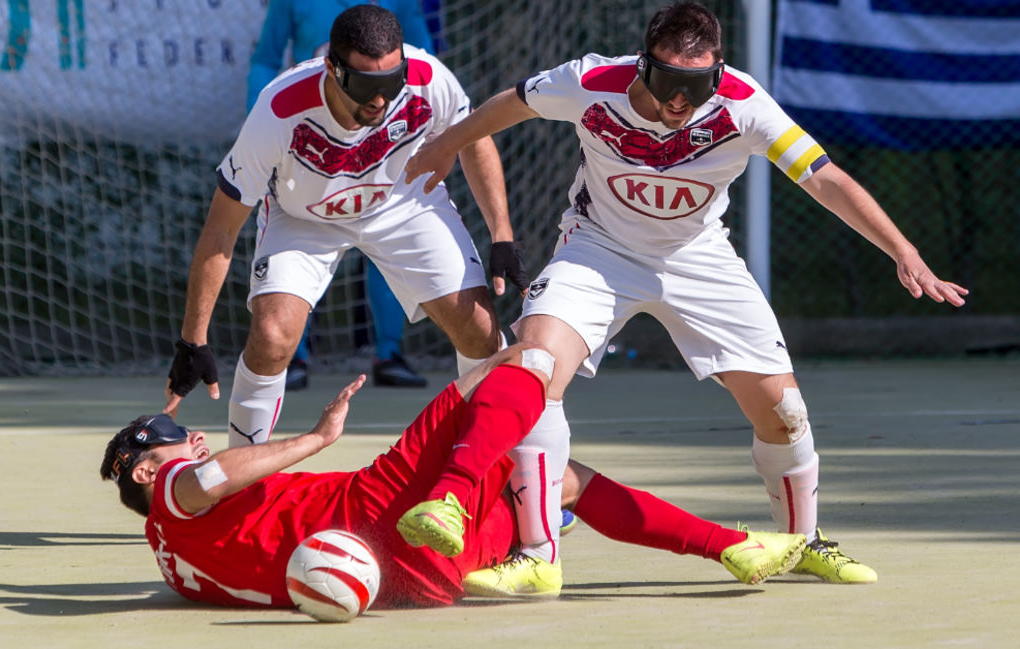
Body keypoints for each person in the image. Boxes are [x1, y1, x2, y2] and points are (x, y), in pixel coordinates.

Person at [403, 1, 968, 594]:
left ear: (717, 72)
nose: (679, 102)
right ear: (644, 65)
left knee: (785, 414)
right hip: (599, 249)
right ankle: (538, 555)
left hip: (699, 257)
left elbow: (824, 177)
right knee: (534, 367)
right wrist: (449, 143)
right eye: (668, 82)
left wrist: (902, 250)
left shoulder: (744, 104)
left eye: (696, 87)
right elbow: (514, 101)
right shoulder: (593, 82)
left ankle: (804, 543)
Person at [102, 345, 808, 609]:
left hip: (413, 582)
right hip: (377, 507)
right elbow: (203, 479)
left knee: (555, 479)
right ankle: (454, 495)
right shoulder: (172, 494)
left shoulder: (174, 567)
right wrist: (315, 438)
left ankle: (731, 544)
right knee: (521, 365)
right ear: (144, 467)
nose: (193, 440)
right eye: (175, 440)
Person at [164, 5, 528, 447]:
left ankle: (494, 468)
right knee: (272, 336)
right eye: (365, 86)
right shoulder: (279, 110)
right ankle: (241, 476)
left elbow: (473, 137)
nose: (380, 99)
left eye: (391, 83)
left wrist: (502, 234)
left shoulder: (427, 76)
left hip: (402, 201)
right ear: (331, 69)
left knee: (481, 329)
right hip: (304, 217)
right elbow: (220, 233)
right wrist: (192, 338)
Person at [246, 0, 440, 390]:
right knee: (298, 247)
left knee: (387, 238)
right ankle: (293, 357)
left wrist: (417, 120)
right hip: (312, 145)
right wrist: (259, 117)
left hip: (383, 141)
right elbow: (265, 59)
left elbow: (426, 60)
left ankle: (389, 352)